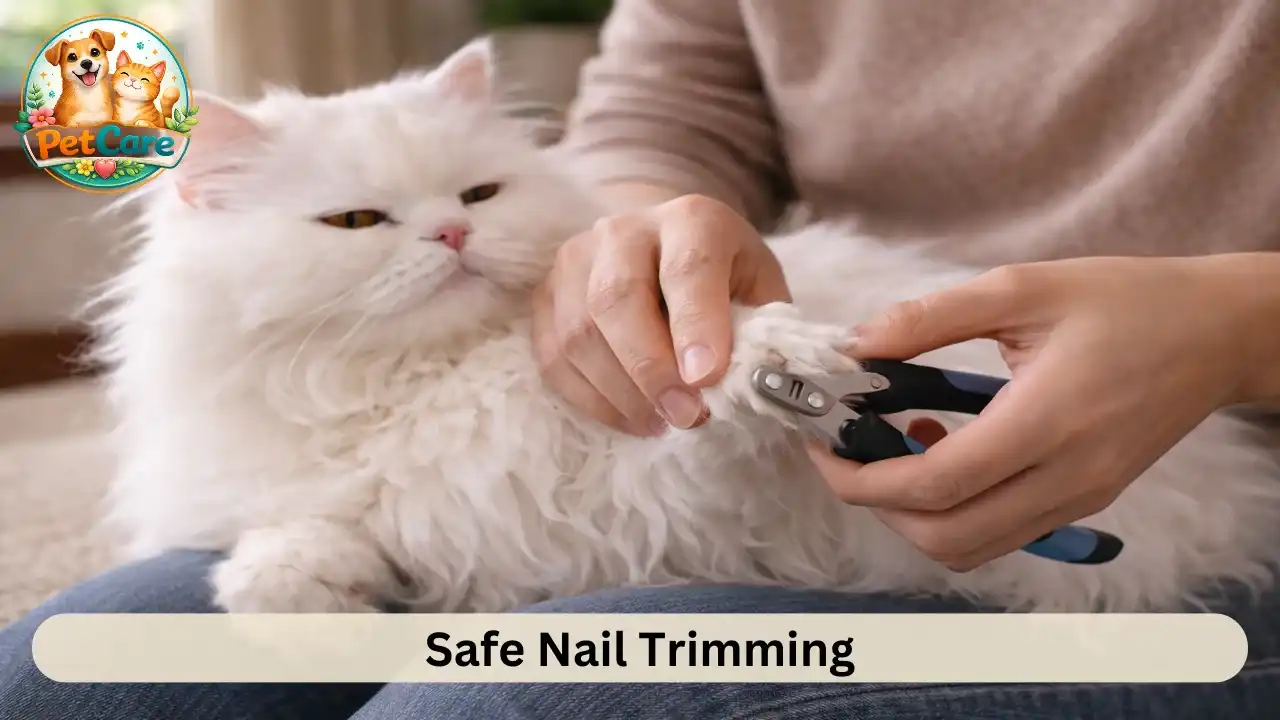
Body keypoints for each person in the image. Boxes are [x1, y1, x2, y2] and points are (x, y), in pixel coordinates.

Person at [3, 0, 1279, 717]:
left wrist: (1236, 324)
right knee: (82, 676)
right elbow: (665, 114)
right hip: (767, 429)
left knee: (481, 710)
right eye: (354, 222)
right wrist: (643, 247)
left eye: (473, 198)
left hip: (1180, 516)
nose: (445, 235)